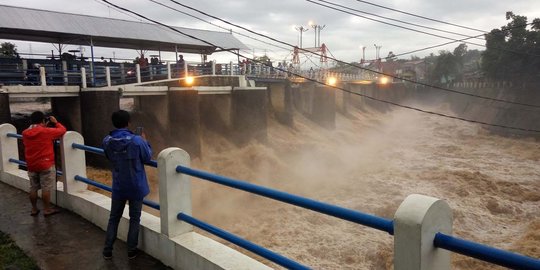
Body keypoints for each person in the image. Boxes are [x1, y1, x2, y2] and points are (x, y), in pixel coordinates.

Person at [102, 110, 152, 260]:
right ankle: (131, 250)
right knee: (134, 218)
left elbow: (108, 155)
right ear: (128, 123)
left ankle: (107, 250)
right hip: (136, 185)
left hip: (118, 186)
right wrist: (145, 141)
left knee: (114, 218)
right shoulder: (137, 140)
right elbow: (147, 157)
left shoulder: (107, 140)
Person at [22, 111, 66, 217]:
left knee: (33, 188)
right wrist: (56, 123)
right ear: (42, 120)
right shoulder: (45, 131)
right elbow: (62, 130)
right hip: (45, 164)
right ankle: (47, 209)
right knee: (46, 188)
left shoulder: (25, 133)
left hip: (32, 164)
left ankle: (34, 209)